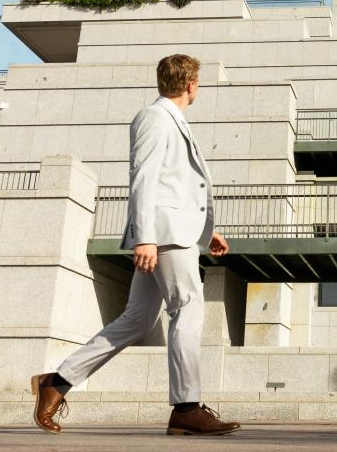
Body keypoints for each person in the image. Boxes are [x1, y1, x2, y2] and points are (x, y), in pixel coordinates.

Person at [30, 54, 240, 436]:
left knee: (138, 319)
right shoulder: (155, 118)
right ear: (191, 84)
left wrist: (207, 232)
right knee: (188, 309)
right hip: (164, 235)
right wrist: (145, 236)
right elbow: (143, 177)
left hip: (175, 231)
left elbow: (175, 185)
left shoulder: (172, 120)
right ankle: (187, 407)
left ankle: (57, 382)